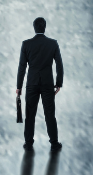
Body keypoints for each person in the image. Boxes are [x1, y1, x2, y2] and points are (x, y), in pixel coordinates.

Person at [16, 17, 63, 151]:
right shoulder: (53, 44)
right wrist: (59, 83)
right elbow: (59, 65)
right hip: (48, 83)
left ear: (34, 27)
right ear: (45, 27)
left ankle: (28, 142)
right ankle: (54, 142)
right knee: (50, 113)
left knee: (30, 113)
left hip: (32, 83)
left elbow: (22, 67)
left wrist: (18, 87)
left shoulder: (26, 44)